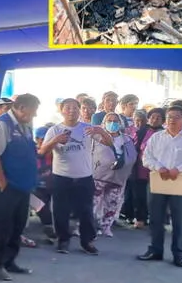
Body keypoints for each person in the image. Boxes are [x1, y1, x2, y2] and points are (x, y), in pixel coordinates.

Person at [41, 98, 112, 255]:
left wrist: (101, 131)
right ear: (61, 110)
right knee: (61, 211)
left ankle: (87, 241)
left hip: (84, 177)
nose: (71, 111)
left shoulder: (87, 129)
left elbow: (109, 143)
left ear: (80, 110)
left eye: (75, 108)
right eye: (68, 108)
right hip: (61, 177)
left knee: (86, 211)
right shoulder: (54, 130)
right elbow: (42, 151)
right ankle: (63, 240)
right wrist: (55, 141)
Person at [137, 105, 182, 268]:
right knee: (155, 219)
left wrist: (179, 169)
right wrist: (159, 167)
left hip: (180, 182)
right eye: (169, 117)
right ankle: (155, 250)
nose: (172, 120)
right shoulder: (157, 137)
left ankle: (179, 254)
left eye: (176, 117)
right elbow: (146, 158)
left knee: (179, 220)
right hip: (158, 180)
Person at [0, 94, 40, 281]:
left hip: (23, 186)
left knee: (17, 226)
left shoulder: (24, 126)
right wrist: (2, 184)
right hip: (6, 187)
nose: (35, 114)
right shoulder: (2, 125)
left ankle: (9, 261)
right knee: (0, 227)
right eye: (33, 111)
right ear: (21, 107)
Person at [92, 113, 137, 237]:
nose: (112, 123)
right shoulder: (95, 137)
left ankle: (106, 226)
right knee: (92, 203)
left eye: (115, 121)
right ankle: (88, 226)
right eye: (109, 120)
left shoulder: (127, 139)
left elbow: (132, 157)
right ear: (104, 122)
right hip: (98, 176)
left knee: (112, 203)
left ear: (120, 123)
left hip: (118, 177)